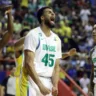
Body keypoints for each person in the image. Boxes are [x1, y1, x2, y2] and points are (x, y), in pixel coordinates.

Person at [20, 6, 62, 96]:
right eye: (49, 12)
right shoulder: (33, 34)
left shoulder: (57, 39)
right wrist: (39, 85)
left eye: (53, 12)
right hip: (32, 80)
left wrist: (55, 85)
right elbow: (28, 63)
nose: (53, 13)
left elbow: (56, 67)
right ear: (42, 17)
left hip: (49, 81)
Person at [14, 29, 29, 96]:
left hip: (31, 81)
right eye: (25, 35)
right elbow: (16, 46)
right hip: (20, 80)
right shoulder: (19, 48)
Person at [88, 24, 96, 96]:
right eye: (93, 29)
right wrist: (90, 89)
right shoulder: (92, 51)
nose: (93, 31)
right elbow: (93, 72)